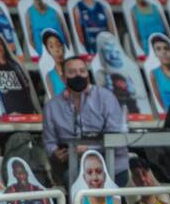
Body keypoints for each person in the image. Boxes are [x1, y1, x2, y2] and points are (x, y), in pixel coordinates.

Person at [42, 55, 128, 187]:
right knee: (71, 178)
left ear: (88, 75)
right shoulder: (52, 106)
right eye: (72, 72)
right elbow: (49, 141)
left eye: (82, 71)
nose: (78, 75)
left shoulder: (106, 98)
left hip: (112, 167)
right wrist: (55, 152)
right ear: (63, 77)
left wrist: (88, 148)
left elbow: (115, 137)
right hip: (75, 168)